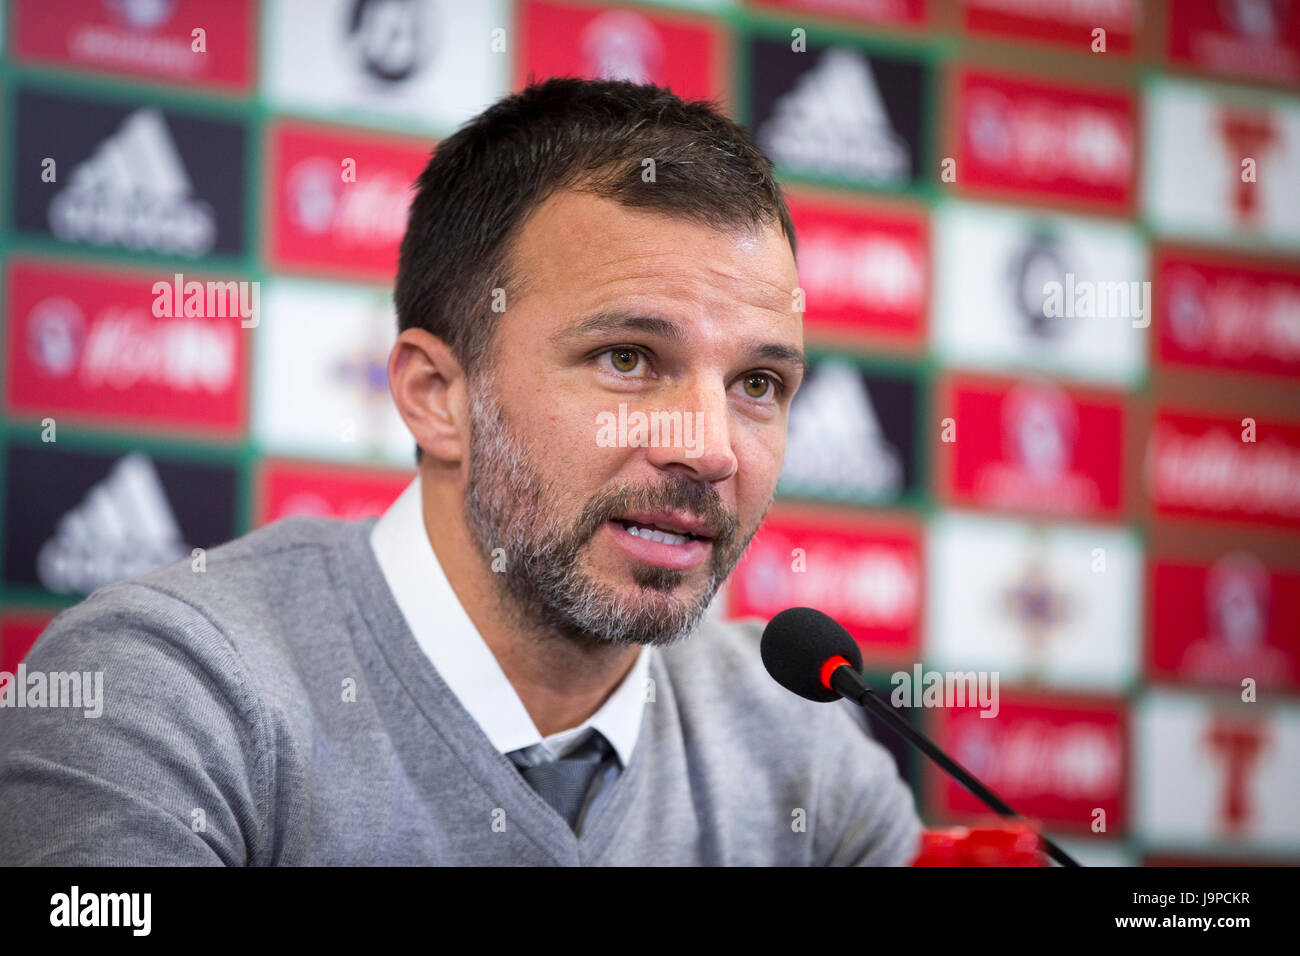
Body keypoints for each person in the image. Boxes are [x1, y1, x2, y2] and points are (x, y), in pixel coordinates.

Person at [0, 77, 921, 865]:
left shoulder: (803, 745)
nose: (711, 448)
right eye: (628, 359)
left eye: (758, 382)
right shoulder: (164, 695)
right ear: (437, 395)